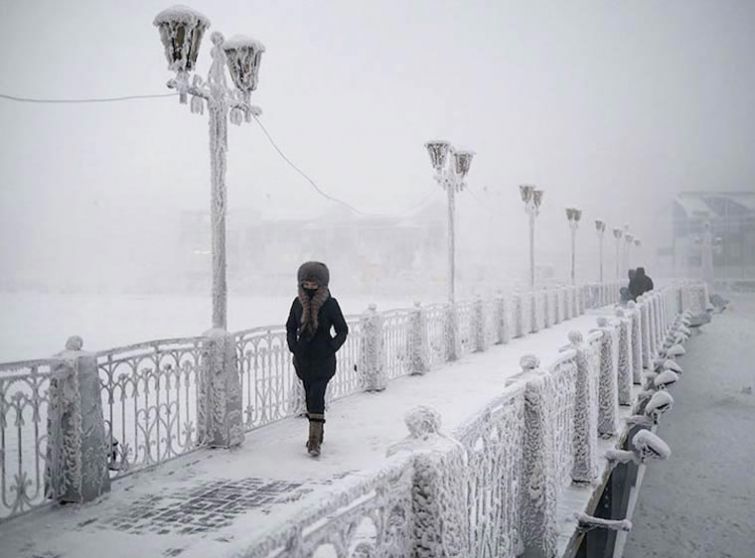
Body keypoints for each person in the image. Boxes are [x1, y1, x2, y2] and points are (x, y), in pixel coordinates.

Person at [286, 261, 349, 457]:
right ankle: (318, 432)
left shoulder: (330, 304)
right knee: (309, 397)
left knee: (317, 395)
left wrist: (330, 347)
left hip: (323, 360)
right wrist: (294, 347)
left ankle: (313, 441)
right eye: (306, 284)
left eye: (314, 284)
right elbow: (290, 327)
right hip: (304, 360)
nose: (310, 288)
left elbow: (342, 330)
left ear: (322, 284)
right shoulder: (297, 304)